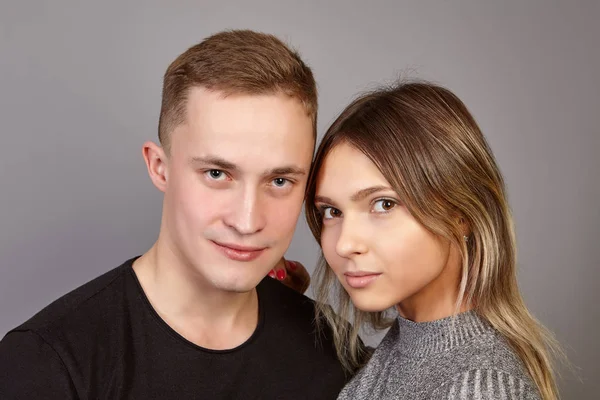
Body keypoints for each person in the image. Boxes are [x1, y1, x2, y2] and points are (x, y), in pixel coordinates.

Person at [0, 30, 347, 399]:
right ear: (159, 167)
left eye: (279, 180)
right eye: (216, 174)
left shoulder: (335, 351)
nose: (247, 222)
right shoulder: (47, 363)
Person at [304, 81, 563, 399]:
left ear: (461, 214)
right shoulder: (405, 345)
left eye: (384, 204)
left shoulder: (480, 388)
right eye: (332, 211)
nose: (344, 244)